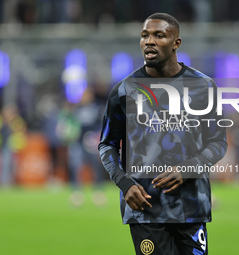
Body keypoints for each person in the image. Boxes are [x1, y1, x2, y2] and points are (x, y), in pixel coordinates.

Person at [98, 13, 227, 255]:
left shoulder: (203, 87)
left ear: (176, 43)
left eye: (159, 35)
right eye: (144, 35)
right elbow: (107, 145)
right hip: (145, 209)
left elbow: (218, 142)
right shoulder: (124, 91)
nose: (149, 41)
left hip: (191, 208)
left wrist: (187, 168)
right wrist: (125, 184)